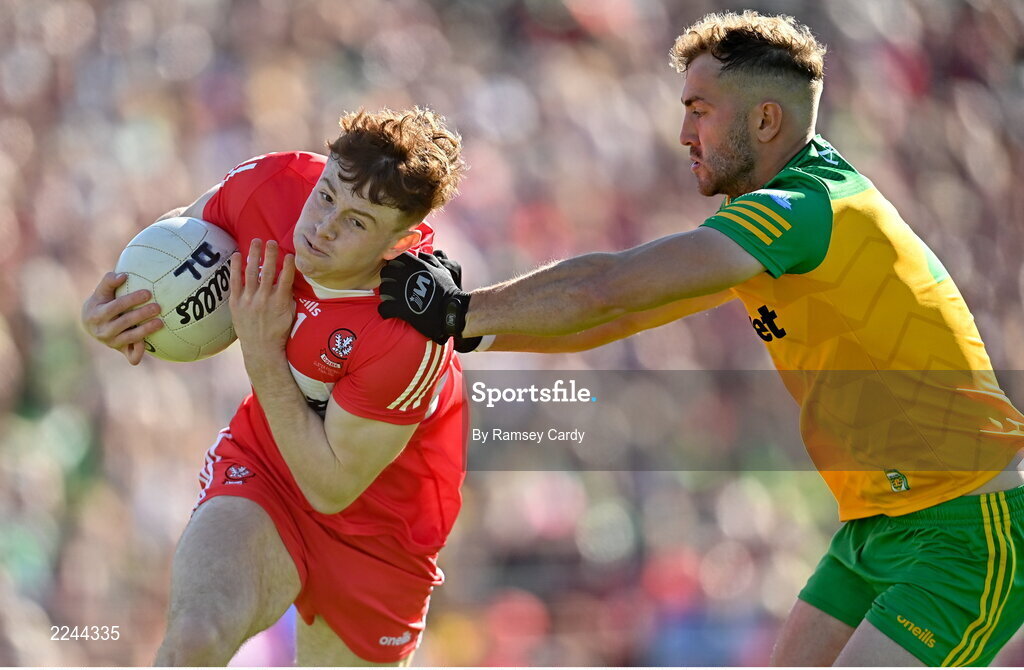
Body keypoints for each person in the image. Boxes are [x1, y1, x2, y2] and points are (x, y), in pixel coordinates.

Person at [377, 11, 1024, 667]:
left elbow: (611, 286)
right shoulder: (773, 218)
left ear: (767, 121)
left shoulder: (802, 209)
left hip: (967, 529)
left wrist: (459, 310)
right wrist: (468, 333)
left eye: (701, 110)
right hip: (879, 526)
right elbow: (619, 317)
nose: (685, 132)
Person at [81, 108, 468, 666]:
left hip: (381, 530)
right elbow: (186, 232)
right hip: (267, 470)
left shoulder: (411, 329)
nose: (323, 226)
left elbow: (331, 487)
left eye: (357, 222)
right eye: (328, 194)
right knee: (193, 639)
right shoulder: (275, 183)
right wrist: (120, 305)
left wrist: (262, 351)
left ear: (399, 242)